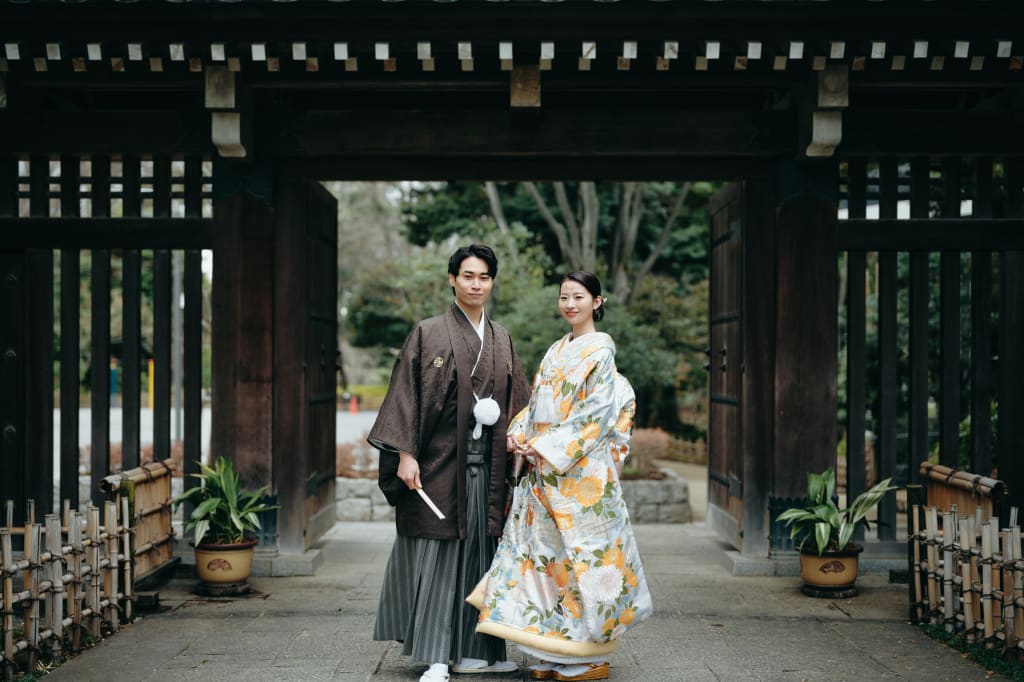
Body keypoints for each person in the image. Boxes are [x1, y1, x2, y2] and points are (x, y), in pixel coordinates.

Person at [467, 271, 652, 682]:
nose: (570, 304)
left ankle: (587, 654)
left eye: (579, 297)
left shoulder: (601, 353)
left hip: (579, 476)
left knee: (582, 561)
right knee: (548, 562)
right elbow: (537, 406)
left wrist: (548, 447)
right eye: (564, 297)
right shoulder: (557, 349)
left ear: (597, 302)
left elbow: (595, 416)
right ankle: (553, 650)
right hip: (544, 474)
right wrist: (520, 435)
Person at [368, 244, 531, 682]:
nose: (476, 284)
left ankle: (484, 649)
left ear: (492, 282)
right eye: (468, 276)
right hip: (440, 464)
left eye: (483, 277)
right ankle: (438, 654)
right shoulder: (428, 332)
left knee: (483, 553)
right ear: (452, 279)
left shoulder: (502, 338)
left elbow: (519, 404)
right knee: (442, 553)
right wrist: (404, 454)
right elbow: (406, 394)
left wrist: (523, 442)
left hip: (489, 467)